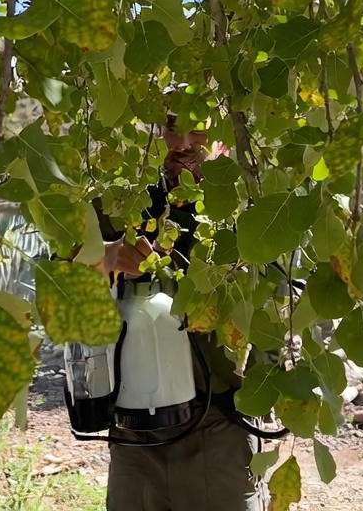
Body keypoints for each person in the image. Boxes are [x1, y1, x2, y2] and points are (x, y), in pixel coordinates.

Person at [94, 118, 267, 511]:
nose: (184, 143)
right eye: (171, 126)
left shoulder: (246, 199)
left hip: (220, 425)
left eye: (198, 130)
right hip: (135, 431)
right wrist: (107, 258)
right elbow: (60, 273)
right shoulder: (126, 195)